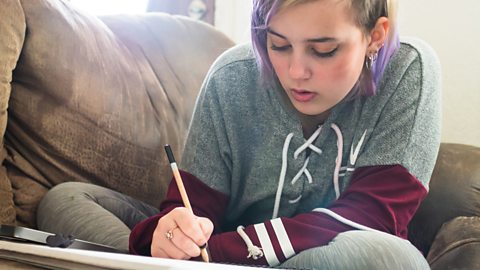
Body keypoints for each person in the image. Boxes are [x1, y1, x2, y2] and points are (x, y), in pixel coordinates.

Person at [38, 0, 441, 269]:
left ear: (375, 35)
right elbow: (191, 209)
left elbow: (373, 221)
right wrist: (171, 232)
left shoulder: (410, 71)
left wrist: (209, 254)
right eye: (278, 45)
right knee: (67, 201)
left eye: (323, 50)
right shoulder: (233, 75)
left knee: (381, 254)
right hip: (218, 259)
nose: (296, 72)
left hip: (314, 257)